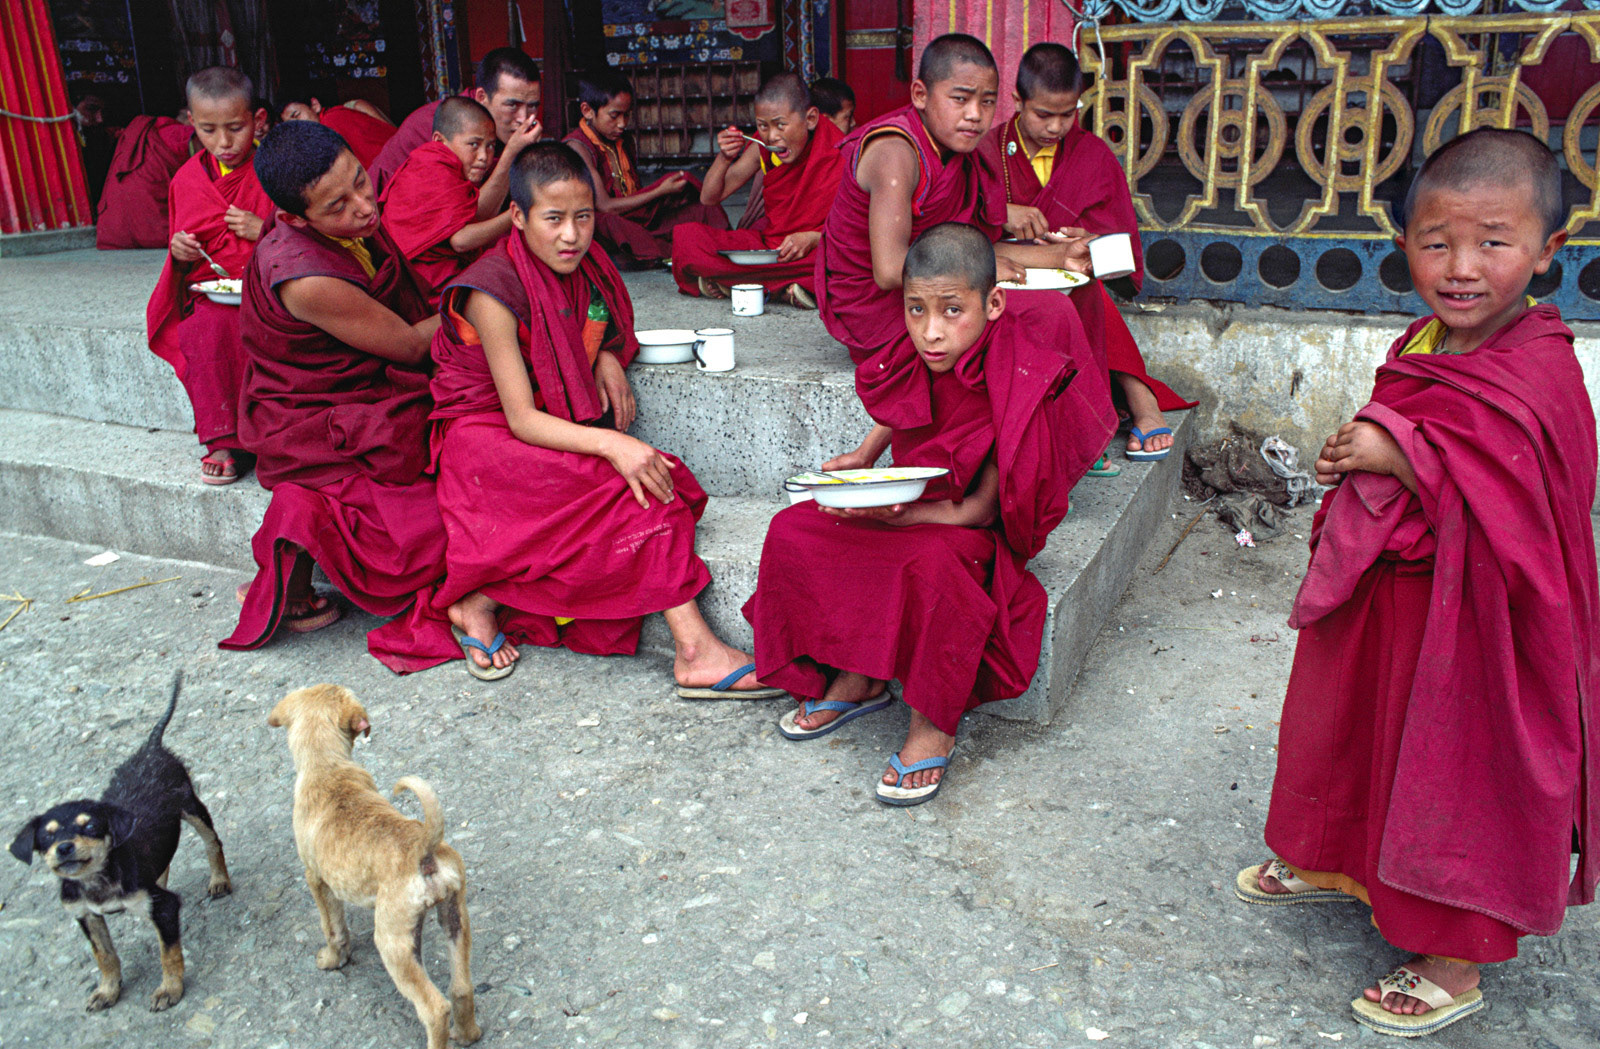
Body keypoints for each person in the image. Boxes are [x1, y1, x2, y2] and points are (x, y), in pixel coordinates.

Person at [1239, 128, 1599, 1038]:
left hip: (1478, 611)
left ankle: (1453, 952)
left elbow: (1531, 497)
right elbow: (1410, 422)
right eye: (1436, 242)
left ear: (1549, 250)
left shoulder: (1542, 366)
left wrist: (1399, 451)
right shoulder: (1423, 335)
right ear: (1404, 243)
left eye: (1493, 242)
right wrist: (1360, 452)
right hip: (1393, 588)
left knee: (1456, 760)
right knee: (1362, 726)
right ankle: (1338, 858)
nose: (1461, 267)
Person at [380, 141, 780, 698]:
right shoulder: (490, 290)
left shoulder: (585, 268)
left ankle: (482, 600)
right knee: (631, 487)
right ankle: (695, 650)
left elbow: (598, 324)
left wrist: (610, 354)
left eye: (584, 217)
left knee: (662, 482)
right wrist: (612, 445)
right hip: (485, 440)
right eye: (554, 219)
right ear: (517, 218)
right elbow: (519, 418)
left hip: (542, 426)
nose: (572, 235)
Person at [744, 223, 1090, 805]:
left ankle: (933, 721)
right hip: (906, 504)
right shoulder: (923, 348)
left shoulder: (1019, 371)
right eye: (916, 310)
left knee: (930, 563)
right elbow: (904, 399)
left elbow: (982, 508)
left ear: (994, 303)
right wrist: (863, 458)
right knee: (793, 529)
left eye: (952, 310)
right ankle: (858, 671)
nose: (931, 332)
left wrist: (901, 519)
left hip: (968, 527)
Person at [815, 32, 1114, 490]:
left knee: (1073, 287)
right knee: (1042, 312)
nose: (975, 115)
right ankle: (1030, 463)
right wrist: (989, 264)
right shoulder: (897, 152)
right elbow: (892, 269)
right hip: (882, 305)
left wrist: (1060, 254)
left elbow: (972, 244)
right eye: (960, 99)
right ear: (920, 94)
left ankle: (1056, 444)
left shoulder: (959, 153)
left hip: (935, 282)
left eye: (988, 102)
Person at [221, 120, 452, 669]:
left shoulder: (353, 226)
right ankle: (299, 531)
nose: (364, 208)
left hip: (371, 385)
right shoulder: (306, 277)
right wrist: (486, 295)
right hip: (319, 420)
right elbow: (411, 347)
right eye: (337, 206)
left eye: (360, 181)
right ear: (295, 219)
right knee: (441, 526)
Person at [982, 42, 1193, 467]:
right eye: (1043, 114)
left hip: (1075, 278)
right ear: (1017, 100)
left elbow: (1122, 255)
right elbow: (960, 230)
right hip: (1005, 276)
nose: (1056, 126)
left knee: (1086, 288)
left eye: (1068, 114)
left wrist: (1092, 242)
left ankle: (1112, 409)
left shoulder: (1091, 155)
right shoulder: (987, 152)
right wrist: (1000, 214)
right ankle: (1136, 398)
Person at [145, 67, 274, 486]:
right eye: (208, 130)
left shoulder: (275, 167)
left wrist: (266, 230)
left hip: (275, 284)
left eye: (235, 128)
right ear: (190, 123)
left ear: (257, 121)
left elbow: (315, 226)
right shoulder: (186, 180)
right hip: (215, 292)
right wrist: (179, 254)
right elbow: (188, 251)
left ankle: (273, 438)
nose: (224, 143)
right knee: (205, 327)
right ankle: (223, 438)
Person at [670, 73, 844, 308]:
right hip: (773, 248)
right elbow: (709, 198)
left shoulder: (839, 151)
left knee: (846, 261)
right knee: (688, 240)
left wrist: (814, 237)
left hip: (817, 248)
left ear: (810, 118)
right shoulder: (761, 148)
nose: (772, 136)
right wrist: (724, 158)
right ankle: (787, 288)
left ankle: (737, 283)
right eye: (763, 125)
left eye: (781, 125)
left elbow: (857, 227)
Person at [563, 70, 729, 268]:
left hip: (636, 219)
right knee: (607, 223)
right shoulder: (578, 147)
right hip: (607, 223)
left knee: (700, 206)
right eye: (614, 116)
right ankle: (647, 251)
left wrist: (665, 195)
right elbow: (605, 206)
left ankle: (648, 251)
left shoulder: (624, 141)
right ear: (587, 110)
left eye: (627, 115)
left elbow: (638, 197)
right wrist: (659, 191)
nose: (622, 124)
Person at [379, 97, 516, 306]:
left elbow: (471, 217)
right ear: (440, 141)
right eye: (474, 144)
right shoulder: (432, 167)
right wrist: (515, 215)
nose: (484, 156)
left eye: (490, 146)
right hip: (420, 286)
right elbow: (461, 240)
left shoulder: (445, 168)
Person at [368, 47, 543, 195]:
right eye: (512, 105)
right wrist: (511, 154)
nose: (524, 118)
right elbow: (468, 218)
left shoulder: (495, 125)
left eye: (532, 106)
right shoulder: (447, 128)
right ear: (482, 97)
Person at [96, 110, 195, 250]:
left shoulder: (145, 133)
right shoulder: (181, 133)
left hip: (114, 232)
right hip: (155, 226)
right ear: (191, 119)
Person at [277, 91, 396, 170]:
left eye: (296, 115)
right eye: (290, 125)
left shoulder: (332, 121)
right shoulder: (325, 126)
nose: (297, 127)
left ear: (315, 105)